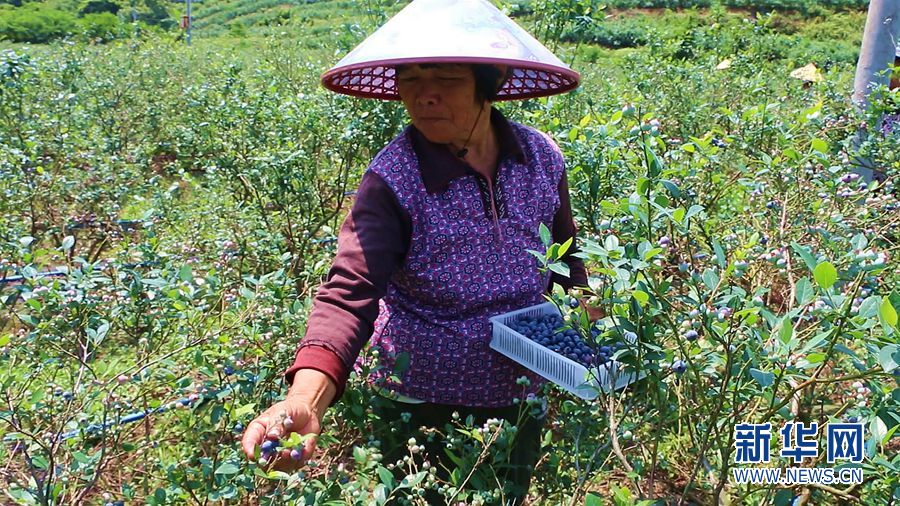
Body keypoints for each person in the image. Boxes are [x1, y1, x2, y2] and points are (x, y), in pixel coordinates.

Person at [241, 0, 592, 503]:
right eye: (409, 79)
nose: (424, 95)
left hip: (520, 390)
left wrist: (593, 324)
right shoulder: (395, 178)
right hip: (420, 399)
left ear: (489, 82)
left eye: (446, 78)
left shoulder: (539, 157)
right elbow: (349, 292)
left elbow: (565, 258)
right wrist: (305, 397)